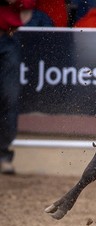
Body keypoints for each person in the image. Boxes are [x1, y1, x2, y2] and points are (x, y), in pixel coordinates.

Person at [0, 0, 35, 174]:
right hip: (8, 39)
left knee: (9, 96)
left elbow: (29, 3)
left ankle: (3, 154)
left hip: (7, 37)